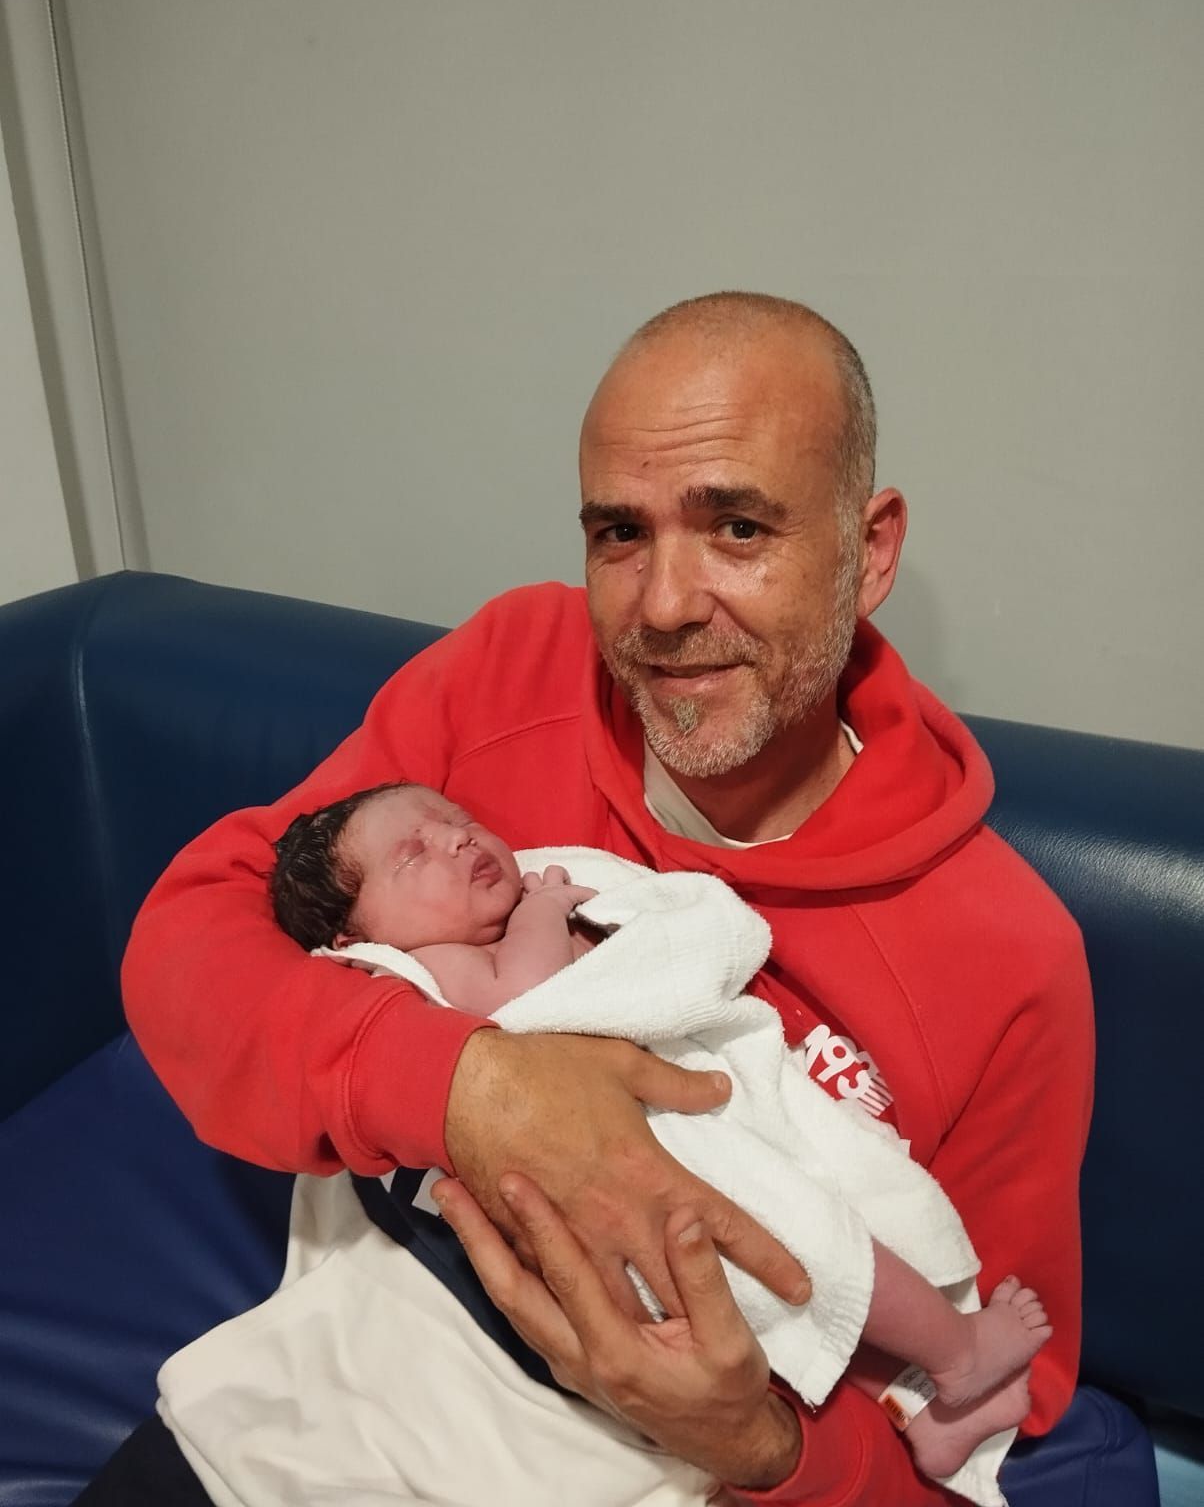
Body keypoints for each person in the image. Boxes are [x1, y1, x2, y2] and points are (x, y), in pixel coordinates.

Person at [119, 291, 1093, 1506]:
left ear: (870, 549)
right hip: (333, 1406)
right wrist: (474, 1089)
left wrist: (763, 1448)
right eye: (621, 533)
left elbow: (981, 1419)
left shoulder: (1006, 957)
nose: (665, 603)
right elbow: (191, 941)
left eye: (736, 527)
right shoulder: (510, 668)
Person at [269, 776, 1051, 1492]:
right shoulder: (426, 969)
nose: (456, 839)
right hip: (652, 1170)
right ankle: (958, 1353)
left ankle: (923, 1409)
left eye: (459, 820)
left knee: (810, 1306)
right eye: (414, 855)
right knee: (824, 1247)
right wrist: (544, 911)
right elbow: (527, 994)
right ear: (355, 938)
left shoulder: (489, 919)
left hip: (669, 1131)